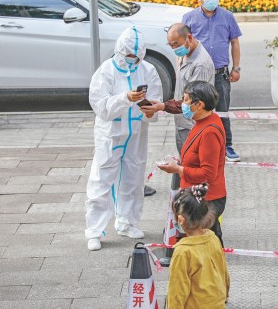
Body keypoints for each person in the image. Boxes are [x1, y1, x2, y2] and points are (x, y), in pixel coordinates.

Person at [85, 26, 162, 251]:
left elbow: (155, 99)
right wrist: (125, 98)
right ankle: (94, 230)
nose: (132, 61)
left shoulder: (148, 70)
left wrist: (150, 110)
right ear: (120, 52)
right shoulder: (105, 71)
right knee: (102, 179)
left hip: (137, 133)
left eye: (136, 58)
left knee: (134, 178)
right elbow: (102, 107)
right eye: (129, 56)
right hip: (110, 134)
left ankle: (127, 222)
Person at [139, 23, 215, 195]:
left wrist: (163, 106)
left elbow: (195, 102)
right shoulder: (185, 55)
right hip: (183, 124)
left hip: (193, 126)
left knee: (194, 171)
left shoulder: (200, 64)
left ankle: (195, 209)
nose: (174, 49)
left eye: (176, 44)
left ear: (189, 38)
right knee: (186, 166)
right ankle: (186, 203)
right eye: (171, 45)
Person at [157, 81, 227, 246]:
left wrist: (179, 169)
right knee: (208, 241)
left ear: (199, 105)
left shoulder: (209, 131)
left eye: (186, 100)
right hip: (199, 195)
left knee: (206, 243)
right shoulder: (204, 122)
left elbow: (207, 174)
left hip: (207, 199)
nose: (183, 104)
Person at [182, 0, 243, 162]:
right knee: (196, 111)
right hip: (198, 75)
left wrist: (236, 68)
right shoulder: (189, 18)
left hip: (220, 74)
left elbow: (234, 42)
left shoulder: (227, 16)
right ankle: (197, 146)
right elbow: (184, 45)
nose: (212, 0)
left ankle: (227, 146)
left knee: (222, 112)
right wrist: (182, 69)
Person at [167, 183, 229, 309]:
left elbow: (177, 293)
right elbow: (224, 274)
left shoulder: (183, 252)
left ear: (181, 220)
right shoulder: (213, 238)